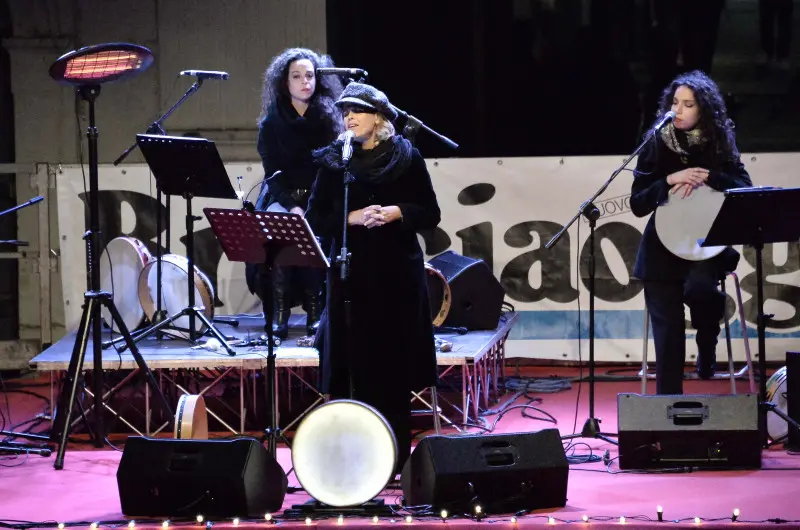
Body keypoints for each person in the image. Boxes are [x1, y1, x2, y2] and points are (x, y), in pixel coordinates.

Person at [305, 82, 440, 474]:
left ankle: (396, 459)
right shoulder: (335, 161)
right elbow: (316, 218)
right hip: (351, 276)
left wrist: (396, 212)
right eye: (345, 111)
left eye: (357, 111)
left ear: (379, 117)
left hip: (397, 275)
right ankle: (352, 462)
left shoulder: (406, 156)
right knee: (353, 365)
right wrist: (352, 218)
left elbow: (430, 212)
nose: (349, 117)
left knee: (393, 369)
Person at [630, 70, 752, 395]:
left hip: (705, 243)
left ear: (704, 110)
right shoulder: (656, 141)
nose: (678, 110)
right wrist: (670, 180)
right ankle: (667, 408)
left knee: (701, 287)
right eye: (675, 103)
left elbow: (745, 188)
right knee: (667, 329)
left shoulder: (719, 142)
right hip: (662, 246)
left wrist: (708, 176)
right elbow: (638, 202)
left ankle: (706, 340)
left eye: (688, 104)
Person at [246, 48, 343, 338]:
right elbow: (271, 175)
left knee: (316, 233)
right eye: (297, 76)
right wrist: (292, 206)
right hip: (282, 199)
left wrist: (311, 206)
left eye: (310, 76)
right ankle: (279, 314)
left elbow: (330, 170)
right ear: (284, 82)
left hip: (318, 199)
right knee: (279, 231)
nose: (305, 82)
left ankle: (316, 311)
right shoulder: (270, 123)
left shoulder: (329, 118)